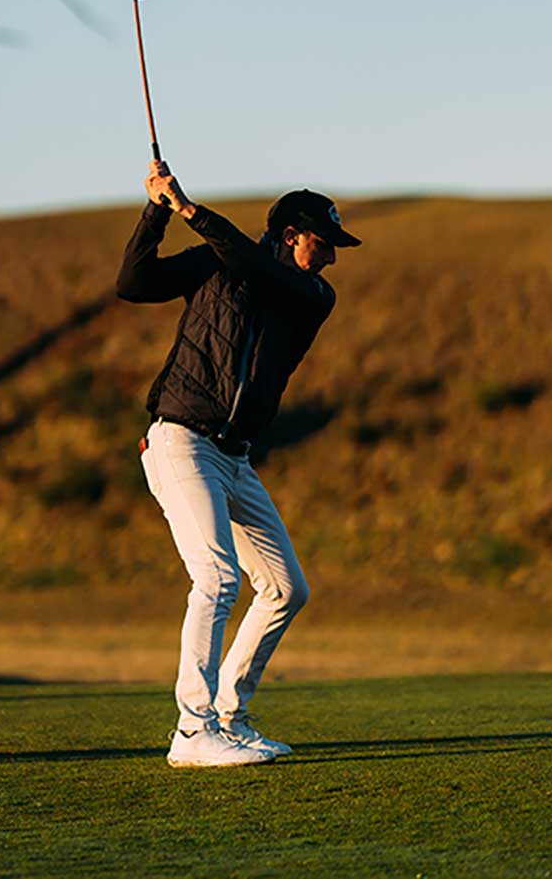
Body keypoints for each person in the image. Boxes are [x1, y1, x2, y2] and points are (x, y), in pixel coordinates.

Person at [116, 160, 361, 767]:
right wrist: (156, 212)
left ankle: (230, 713)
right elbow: (133, 282)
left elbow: (253, 268)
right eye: (322, 242)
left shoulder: (311, 296)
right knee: (219, 579)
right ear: (290, 234)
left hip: (233, 456)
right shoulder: (215, 262)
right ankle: (193, 731)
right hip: (180, 441)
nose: (331, 256)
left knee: (284, 588)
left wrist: (190, 209)